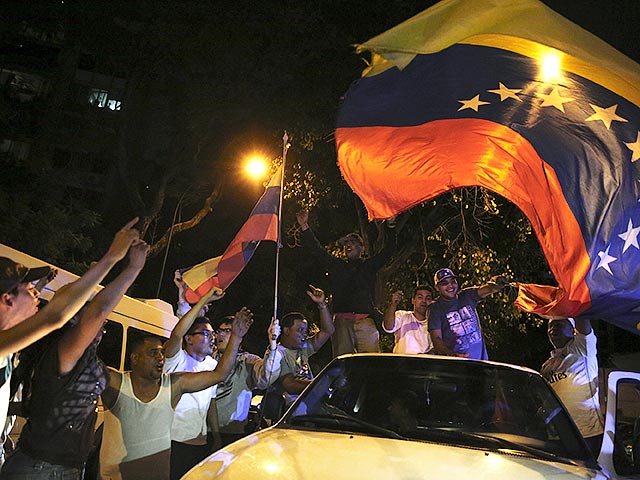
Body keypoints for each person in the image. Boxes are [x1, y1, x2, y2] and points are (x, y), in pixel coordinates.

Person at [1, 230, 148, 479]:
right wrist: (120, 262)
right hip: (42, 470)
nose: (37, 294)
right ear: (7, 299)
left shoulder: (13, 348)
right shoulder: (62, 350)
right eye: (29, 288)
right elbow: (65, 313)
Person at [99, 313, 252, 480]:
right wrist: (202, 301)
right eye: (153, 353)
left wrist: (236, 337)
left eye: (161, 353)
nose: (161, 358)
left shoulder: (183, 379)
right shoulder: (121, 383)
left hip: (196, 445)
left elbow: (218, 379)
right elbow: (177, 335)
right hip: (175, 444)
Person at [296, 210, 396, 357]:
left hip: (365, 320)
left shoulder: (369, 266)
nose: (348, 245)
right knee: (343, 362)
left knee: (372, 361)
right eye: (346, 244)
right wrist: (304, 226)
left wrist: (391, 226)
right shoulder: (338, 266)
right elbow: (318, 251)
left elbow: (389, 251)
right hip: (342, 322)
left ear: (362, 247)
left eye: (353, 242)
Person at [162, 285, 225, 480]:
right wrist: (204, 299)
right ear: (189, 339)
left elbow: (210, 402)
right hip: (172, 442)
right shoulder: (176, 359)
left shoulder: (213, 365)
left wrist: (216, 436)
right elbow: (176, 334)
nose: (212, 339)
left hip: (200, 443)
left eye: (213, 334)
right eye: (205, 334)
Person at [211, 315, 282, 447]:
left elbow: (267, 376)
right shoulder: (208, 358)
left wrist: (273, 345)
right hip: (203, 432)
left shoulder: (247, 361)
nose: (221, 335)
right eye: (219, 331)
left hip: (233, 434)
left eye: (227, 331)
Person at [540, 316, 604, 455]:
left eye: (559, 324)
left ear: (573, 329)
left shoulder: (581, 349)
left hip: (585, 432)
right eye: (550, 326)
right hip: (557, 434)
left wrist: (573, 306)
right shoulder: (548, 365)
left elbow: (583, 319)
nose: (553, 329)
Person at [269, 285, 334, 411]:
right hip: (294, 406)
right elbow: (290, 384)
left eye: (305, 331)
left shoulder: (303, 348)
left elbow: (328, 331)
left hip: (312, 400)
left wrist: (322, 305)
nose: (305, 334)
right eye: (300, 330)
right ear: (286, 331)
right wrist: (318, 384)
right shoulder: (277, 354)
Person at [428, 268, 507, 360]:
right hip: (457, 364)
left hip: (480, 362)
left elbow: (487, 289)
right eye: (444, 283)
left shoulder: (467, 296)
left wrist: (495, 284)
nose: (450, 285)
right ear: (437, 287)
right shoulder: (435, 308)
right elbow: (436, 338)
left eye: (453, 281)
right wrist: (452, 355)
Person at [382, 286, 435, 354]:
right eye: (420, 297)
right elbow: (388, 327)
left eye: (428, 298)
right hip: (402, 359)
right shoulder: (402, 315)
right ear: (413, 300)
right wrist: (393, 305)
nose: (424, 301)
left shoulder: (435, 322)